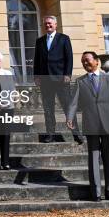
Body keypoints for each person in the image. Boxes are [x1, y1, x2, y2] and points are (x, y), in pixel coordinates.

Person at [66, 51, 109, 202]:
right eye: (83, 62)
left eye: (87, 60)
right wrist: (70, 118)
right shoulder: (80, 81)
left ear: (97, 61)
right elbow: (73, 103)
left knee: (108, 158)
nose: (85, 63)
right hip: (91, 123)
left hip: (108, 123)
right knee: (93, 158)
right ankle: (95, 193)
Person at [33, 15, 83, 144]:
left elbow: (69, 58)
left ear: (56, 25)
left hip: (61, 79)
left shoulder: (64, 39)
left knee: (68, 108)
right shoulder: (40, 41)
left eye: (50, 23)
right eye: (46, 24)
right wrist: (36, 76)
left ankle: (76, 133)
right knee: (48, 109)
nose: (48, 26)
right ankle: (51, 134)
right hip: (45, 80)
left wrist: (67, 74)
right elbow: (37, 60)